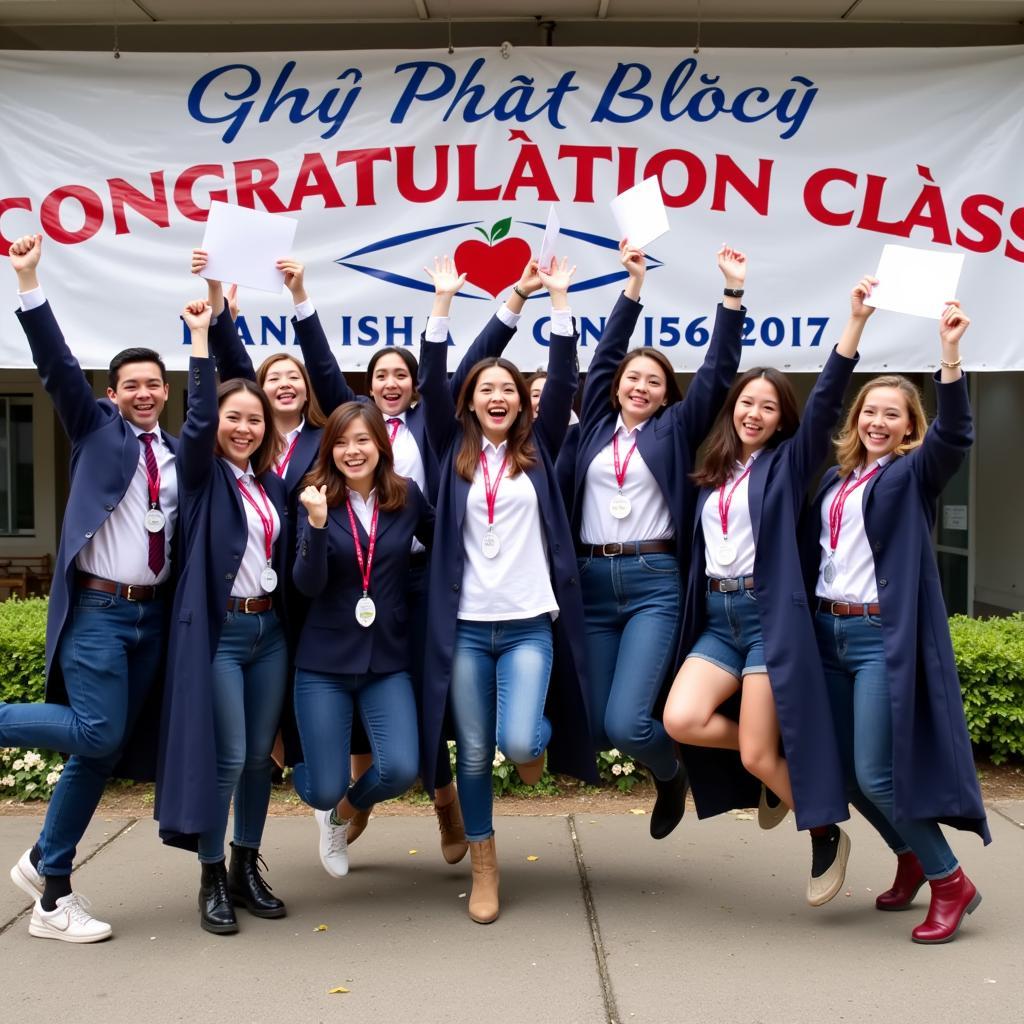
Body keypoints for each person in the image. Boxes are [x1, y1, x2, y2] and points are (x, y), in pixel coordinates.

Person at [278, 254, 544, 861]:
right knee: (380, 697)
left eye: (404, 373)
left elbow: (473, 358)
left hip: (430, 579)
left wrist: (499, 300)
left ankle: (447, 811)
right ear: (365, 390)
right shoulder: (351, 436)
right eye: (382, 375)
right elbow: (319, 363)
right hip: (358, 574)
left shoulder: (435, 423)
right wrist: (300, 297)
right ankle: (359, 801)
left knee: (432, 700)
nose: (394, 381)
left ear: (415, 384)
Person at [663, 277, 875, 905]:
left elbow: (833, 397)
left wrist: (854, 325)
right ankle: (781, 759)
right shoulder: (712, 470)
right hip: (718, 616)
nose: (754, 413)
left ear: (783, 419)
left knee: (757, 757)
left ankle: (825, 829)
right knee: (682, 719)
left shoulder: (787, 464)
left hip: (766, 618)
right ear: (733, 408)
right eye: (746, 403)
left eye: (768, 406)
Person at [2, 233, 177, 943]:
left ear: (166, 391)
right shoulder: (95, 429)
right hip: (101, 612)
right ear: (113, 394)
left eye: (152, 384)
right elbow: (54, 364)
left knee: (98, 754)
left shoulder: (178, 449)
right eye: (129, 384)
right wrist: (30, 280)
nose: (142, 393)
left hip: (153, 619)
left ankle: (50, 884)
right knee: (98, 731)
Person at [419, 255, 597, 924]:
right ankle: (485, 863)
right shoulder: (447, 448)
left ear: (523, 403)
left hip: (527, 623)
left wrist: (557, 302)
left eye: (509, 390)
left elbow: (567, 378)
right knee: (471, 750)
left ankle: (535, 745)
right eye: (486, 388)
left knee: (520, 743)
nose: (498, 396)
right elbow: (433, 377)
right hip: (465, 626)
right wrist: (443, 306)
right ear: (469, 400)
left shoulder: (541, 449)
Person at [807, 301, 989, 943]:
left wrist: (949, 358)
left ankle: (949, 879)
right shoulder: (835, 478)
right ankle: (910, 857)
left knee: (877, 770)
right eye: (870, 411)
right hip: (830, 634)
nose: (878, 421)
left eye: (893, 413)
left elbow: (956, 437)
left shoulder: (912, 475)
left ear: (910, 428)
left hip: (880, 635)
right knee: (848, 774)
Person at [567, 241, 746, 840]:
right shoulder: (593, 425)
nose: (640, 386)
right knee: (593, 723)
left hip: (652, 583)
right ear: (615, 387)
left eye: (654, 381)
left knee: (626, 723)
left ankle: (671, 772)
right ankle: (669, 769)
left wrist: (731, 296)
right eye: (631, 379)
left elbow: (719, 371)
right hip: (591, 583)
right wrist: (632, 288)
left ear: (668, 394)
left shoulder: (675, 428)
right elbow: (602, 355)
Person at [155, 300, 290, 936]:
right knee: (228, 756)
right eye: (233, 419)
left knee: (261, 759)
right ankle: (210, 874)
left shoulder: (271, 487)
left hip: (270, 633)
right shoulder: (202, 475)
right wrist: (203, 339)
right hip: (221, 634)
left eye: (254, 420)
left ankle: (244, 867)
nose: (242, 428)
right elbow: (202, 411)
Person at [291, 402, 433, 877]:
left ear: (380, 445)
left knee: (399, 769)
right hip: (324, 662)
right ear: (329, 449)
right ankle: (322, 796)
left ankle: (341, 815)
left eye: (362, 440)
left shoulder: (407, 496)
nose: (353, 451)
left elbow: (447, 545)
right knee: (323, 784)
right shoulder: (313, 497)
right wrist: (313, 524)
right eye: (341, 442)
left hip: (385, 659)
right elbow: (307, 584)